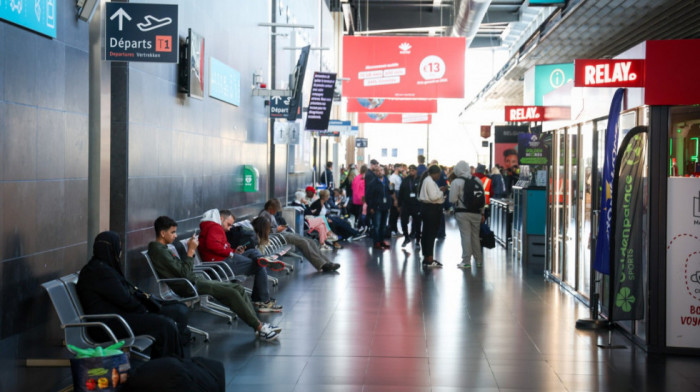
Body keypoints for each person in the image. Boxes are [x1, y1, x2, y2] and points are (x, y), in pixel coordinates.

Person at [147, 216, 281, 342]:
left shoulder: (162, 249)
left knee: (238, 288)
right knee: (233, 292)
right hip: (189, 285)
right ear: (163, 233)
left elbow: (182, 270)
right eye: (173, 232)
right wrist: (191, 251)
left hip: (194, 280)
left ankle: (259, 325)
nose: (175, 235)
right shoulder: (158, 251)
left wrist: (190, 253)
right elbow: (184, 273)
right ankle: (260, 328)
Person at [77, 231, 189, 359]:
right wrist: (146, 311)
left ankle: (172, 366)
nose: (120, 251)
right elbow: (125, 300)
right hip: (106, 326)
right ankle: (167, 368)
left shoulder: (98, 268)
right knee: (165, 325)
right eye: (118, 247)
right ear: (112, 249)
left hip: (113, 319)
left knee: (167, 323)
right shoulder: (100, 272)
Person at [198, 209, 283, 313]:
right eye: (228, 224)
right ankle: (262, 301)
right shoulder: (214, 227)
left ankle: (263, 260)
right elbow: (212, 245)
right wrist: (230, 253)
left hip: (223, 263)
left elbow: (219, 247)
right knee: (259, 265)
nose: (229, 229)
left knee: (253, 252)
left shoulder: (209, 227)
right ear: (221, 219)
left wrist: (234, 251)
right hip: (221, 266)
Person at [259, 200, 341, 272]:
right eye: (275, 210)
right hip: (277, 236)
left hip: (281, 234)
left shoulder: (269, 214)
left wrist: (280, 228)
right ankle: (321, 265)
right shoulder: (264, 215)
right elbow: (265, 232)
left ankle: (327, 262)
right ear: (271, 208)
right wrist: (277, 229)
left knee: (310, 241)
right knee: (303, 242)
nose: (276, 212)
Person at [449, 161, 485, 269]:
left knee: (466, 236)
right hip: (477, 213)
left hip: (462, 213)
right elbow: (482, 198)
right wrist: (482, 213)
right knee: (475, 236)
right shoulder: (477, 180)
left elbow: (452, 199)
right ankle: (478, 261)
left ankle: (466, 261)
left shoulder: (456, 182)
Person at [418, 165, 445, 267]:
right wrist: (441, 192)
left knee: (426, 234)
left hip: (427, 209)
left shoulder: (427, 180)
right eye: (438, 174)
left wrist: (438, 191)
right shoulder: (429, 181)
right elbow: (433, 197)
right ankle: (429, 259)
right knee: (430, 235)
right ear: (435, 173)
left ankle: (427, 257)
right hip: (432, 210)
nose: (439, 176)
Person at [366, 164, 392, 249]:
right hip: (376, 207)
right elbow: (368, 197)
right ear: (375, 172)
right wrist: (371, 207)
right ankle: (376, 242)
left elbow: (390, 192)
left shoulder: (387, 181)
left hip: (385, 207)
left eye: (381, 170)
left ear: (384, 171)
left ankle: (381, 241)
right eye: (377, 170)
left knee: (383, 226)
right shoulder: (372, 183)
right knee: (376, 226)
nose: (379, 172)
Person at [398, 164, 421, 248]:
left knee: (417, 223)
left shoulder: (420, 180)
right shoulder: (405, 180)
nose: (411, 171)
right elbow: (401, 192)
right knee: (403, 221)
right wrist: (399, 204)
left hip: (416, 205)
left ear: (416, 171)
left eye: (413, 170)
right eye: (410, 170)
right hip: (406, 205)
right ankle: (406, 237)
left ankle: (418, 240)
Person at [388, 164, 403, 236]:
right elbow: (391, 189)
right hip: (395, 195)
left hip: (399, 195)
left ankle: (395, 229)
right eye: (401, 167)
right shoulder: (392, 177)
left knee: (396, 214)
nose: (402, 169)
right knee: (393, 213)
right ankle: (392, 230)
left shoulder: (399, 177)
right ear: (397, 168)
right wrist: (395, 199)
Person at [351, 165, 368, 230]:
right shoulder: (365, 178)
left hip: (355, 198)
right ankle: (361, 226)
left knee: (357, 212)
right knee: (362, 213)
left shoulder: (356, 178)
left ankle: (357, 225)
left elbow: (352, 187)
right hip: (362, 198)